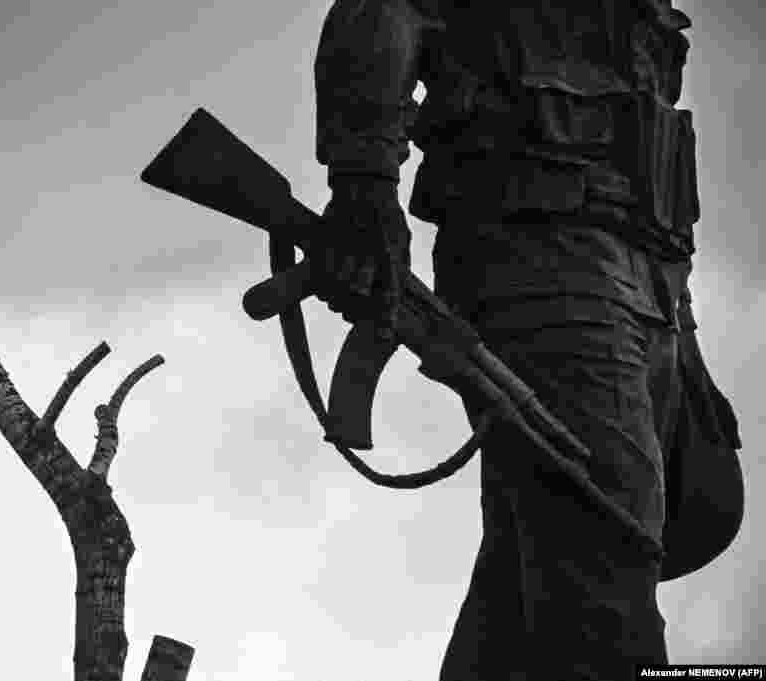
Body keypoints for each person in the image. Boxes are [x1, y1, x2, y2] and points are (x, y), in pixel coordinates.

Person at [311, 1, 730, 678]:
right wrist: (363, 186)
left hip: (648, 291)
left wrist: (686, 333)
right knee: (604, 575)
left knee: (522, 601)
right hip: (545, 264)